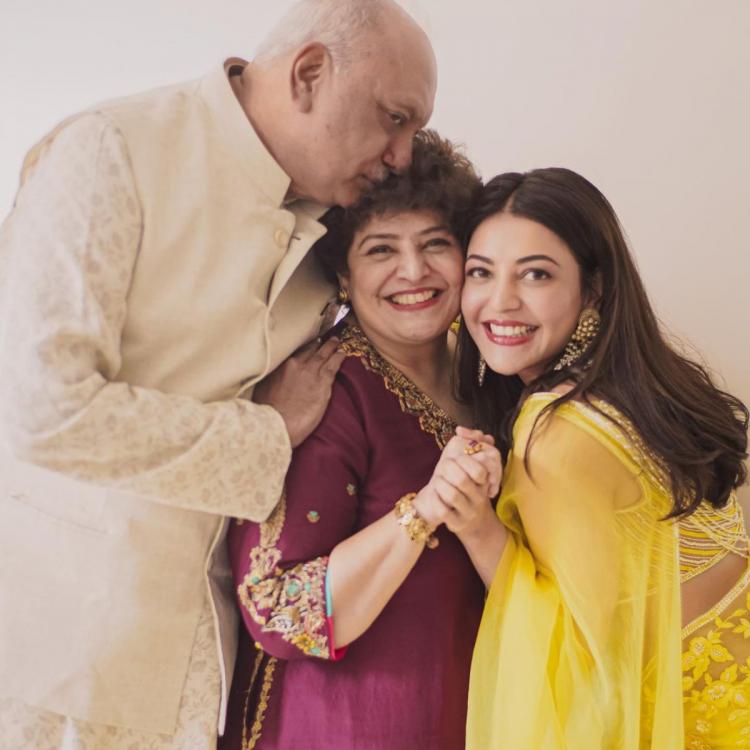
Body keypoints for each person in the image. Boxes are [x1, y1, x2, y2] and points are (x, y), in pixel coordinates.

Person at [0, 1, 437, 748]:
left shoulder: (340, 229)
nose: (402, 154)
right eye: (393, 118)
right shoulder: (112, 150)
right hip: (58, 668)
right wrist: (263, 437)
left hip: (216, 681)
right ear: (308, 73)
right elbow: (44, 412)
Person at [434, 167, 749, 748]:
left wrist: (477, 529)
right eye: (480, 272)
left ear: (593, 289)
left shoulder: (556, 434)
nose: (500, 300)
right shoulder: (646, 388)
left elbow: (575, 655)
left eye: (535, 274)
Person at [222, 130, 497, 750]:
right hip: (344, 726)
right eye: (381, 250)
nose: (414, 271)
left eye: (436, 244)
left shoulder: (486, 374)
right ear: (342, 271)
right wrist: (424, 510)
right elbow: (275, 608)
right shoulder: (329, 389)